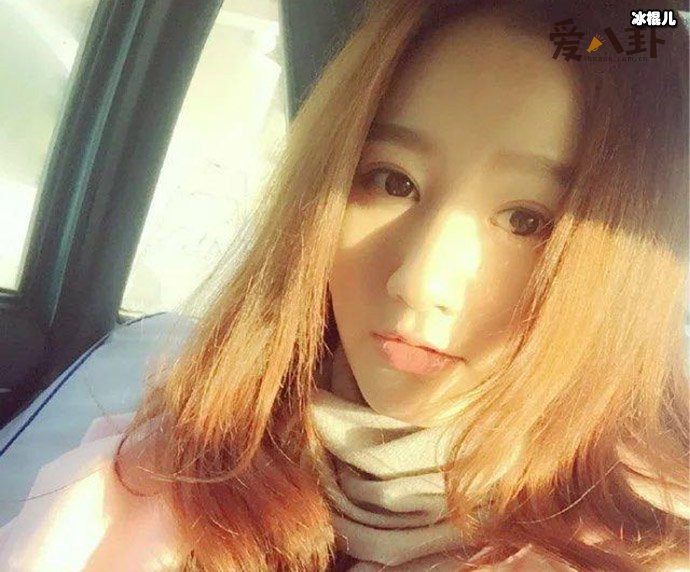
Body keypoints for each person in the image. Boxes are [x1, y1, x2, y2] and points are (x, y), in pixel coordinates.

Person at [1, 0, 688, 570]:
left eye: (526, 220)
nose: (418, 282)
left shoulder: (641, 548)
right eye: (393, 181)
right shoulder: (150, 475)